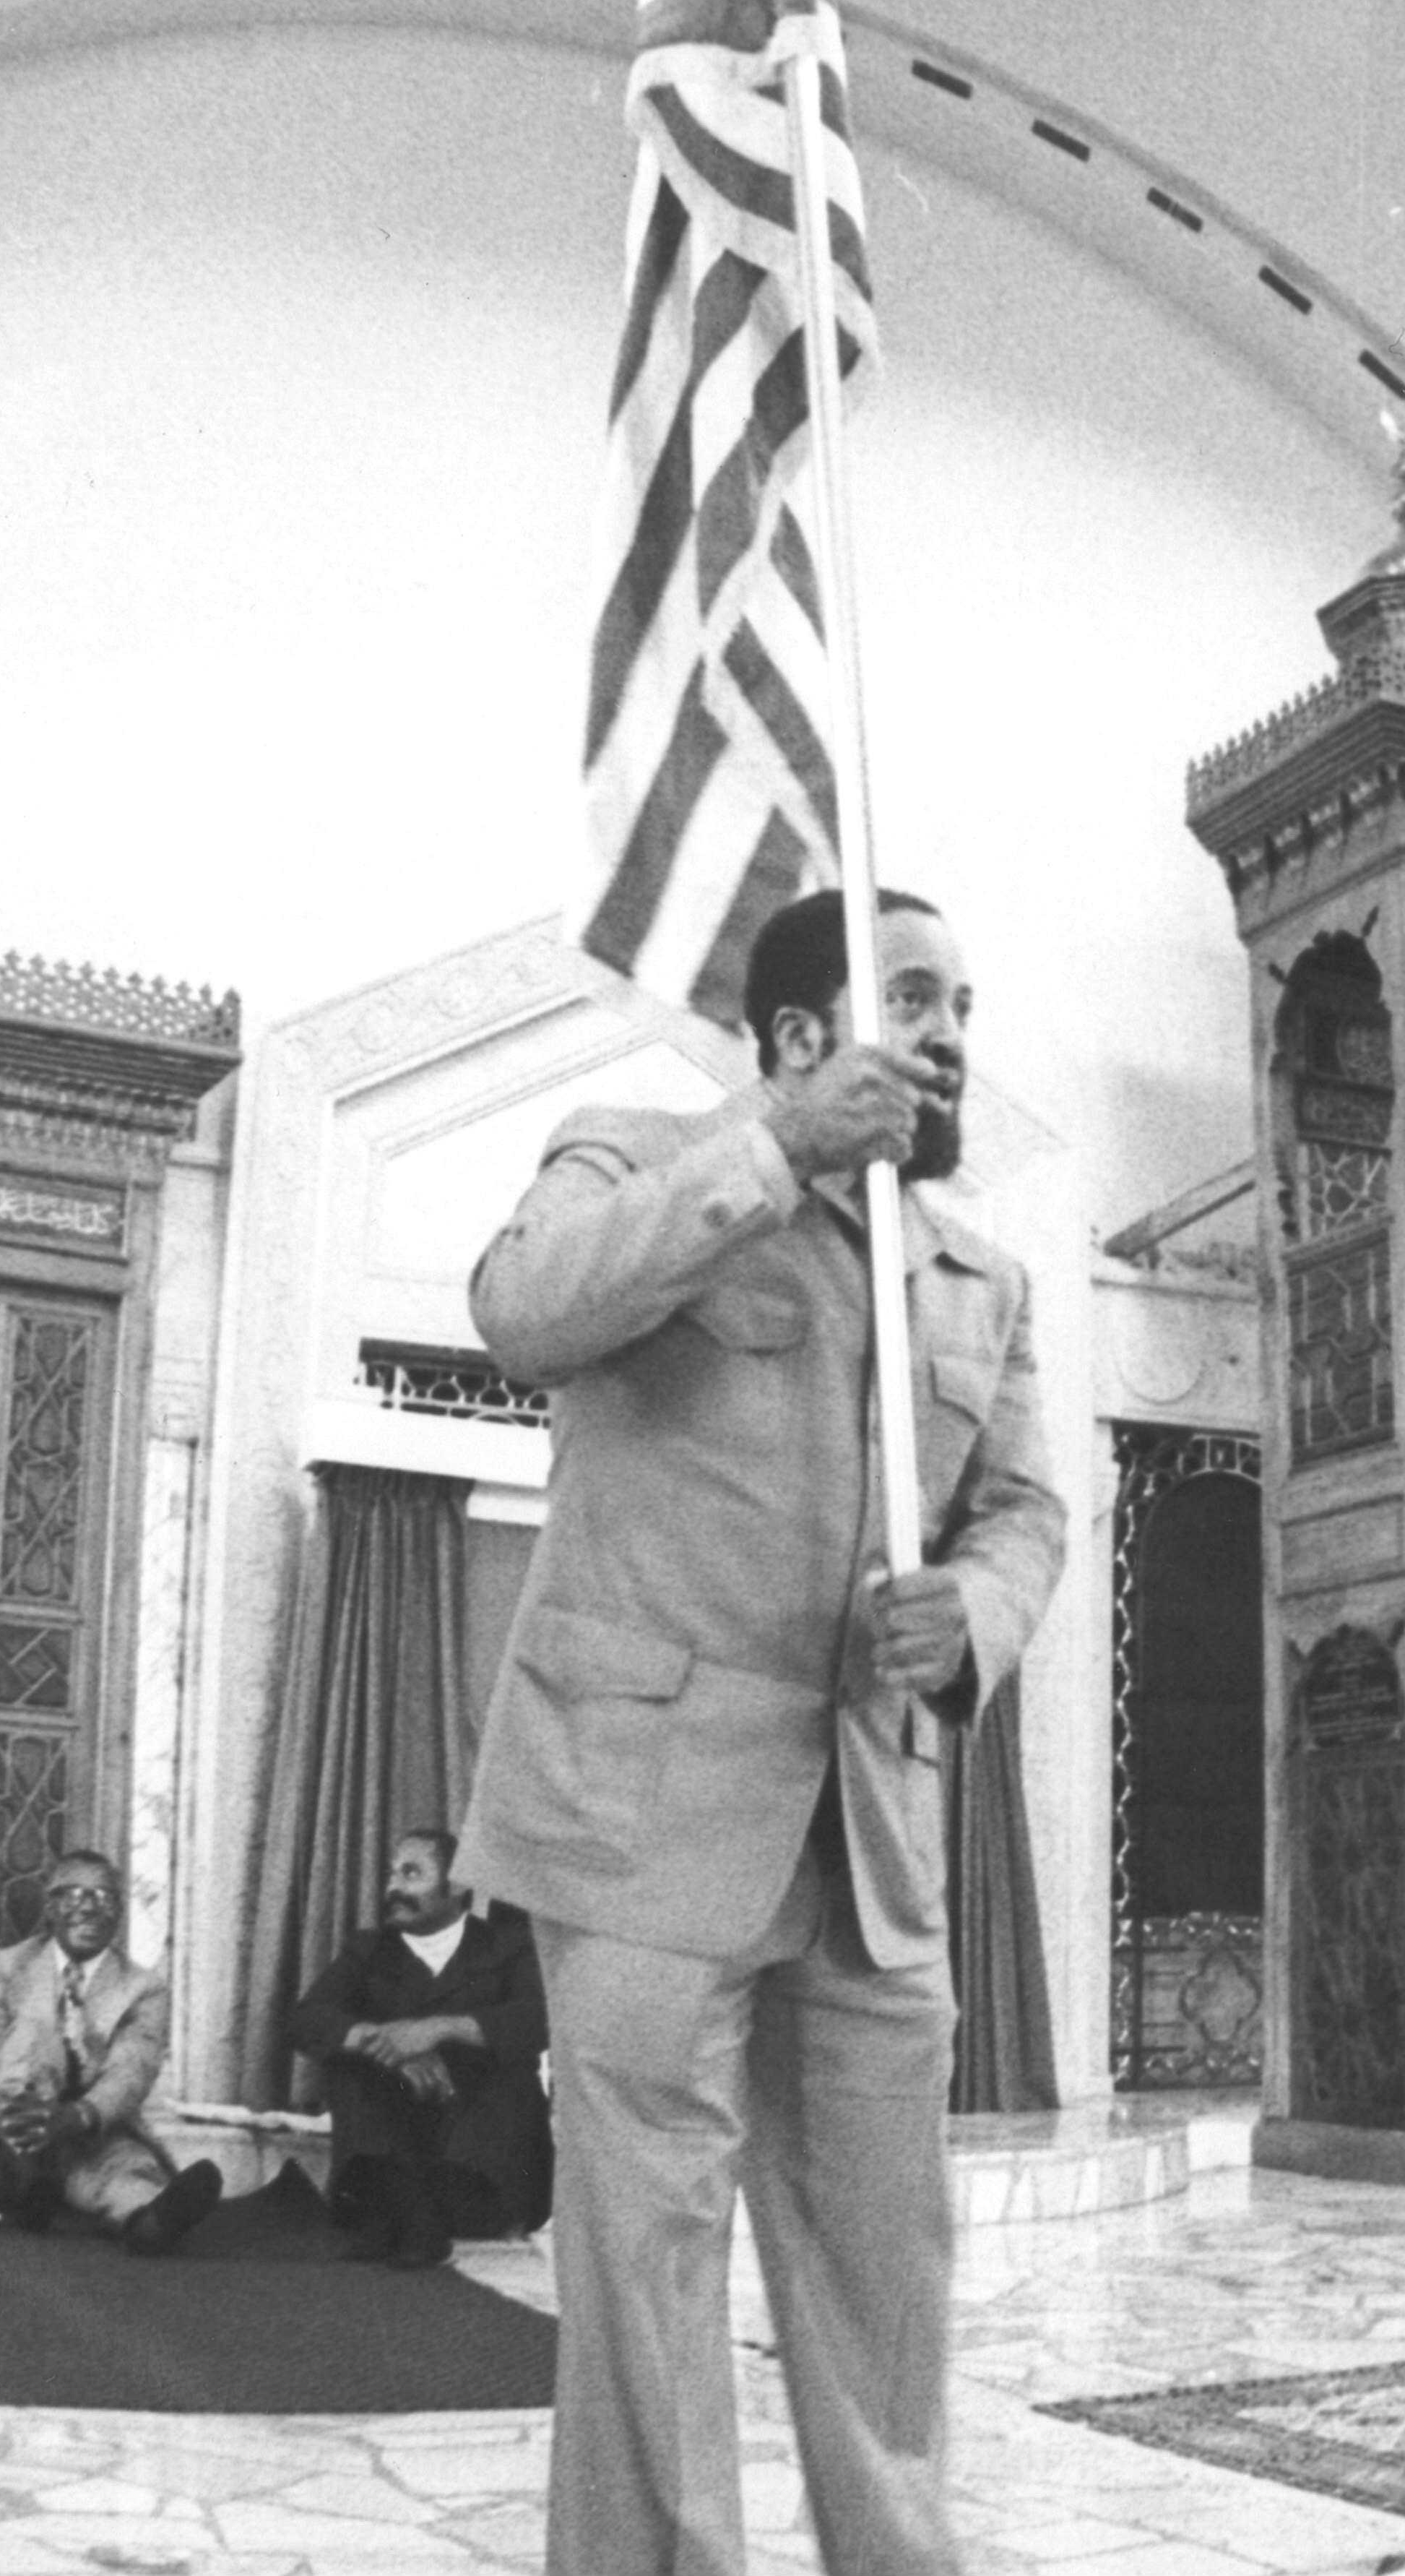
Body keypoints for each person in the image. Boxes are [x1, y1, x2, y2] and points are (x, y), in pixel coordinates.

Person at [462, 884, 1065, 2576]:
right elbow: (523, 1309)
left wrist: (980, 1615)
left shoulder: (979, 1277)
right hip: (641, 1824)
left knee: (887, 2288)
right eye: (918, 997)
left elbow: (1022, 1508)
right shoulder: (634, 1159)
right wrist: (777, 1148)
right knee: (646, 2285)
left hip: (876, 1835)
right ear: (803, 1031)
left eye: (964, 1001)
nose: (951, 1033)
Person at [288, 1825, 551, 2267]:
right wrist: (388, 2045)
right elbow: (306, 2020)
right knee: (350, 2065)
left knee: (509, 2075)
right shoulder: (370, 1949)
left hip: (478, 2164)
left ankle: (406, 2215)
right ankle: (407, 2212)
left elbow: (539, 2021)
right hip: (400, 2145)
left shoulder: (509, 1947)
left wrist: (440, 2029)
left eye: (412, 1874)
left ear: (457, 1885)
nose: (393, 1887)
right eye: (393, 1875)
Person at [0, 1848, 222, 2252]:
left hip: (86, 2129)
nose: (90, 1909)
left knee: (123, 2171)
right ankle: (30, 2177)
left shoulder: (143, 1988)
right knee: (36, 2034)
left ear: (119, 1914)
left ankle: (146, 2221)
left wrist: (76, 2117)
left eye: (105, 1898)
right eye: (75, 1895)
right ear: (51, 1908)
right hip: (4, 2129)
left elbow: (132, 2071)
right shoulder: (8, 1966)